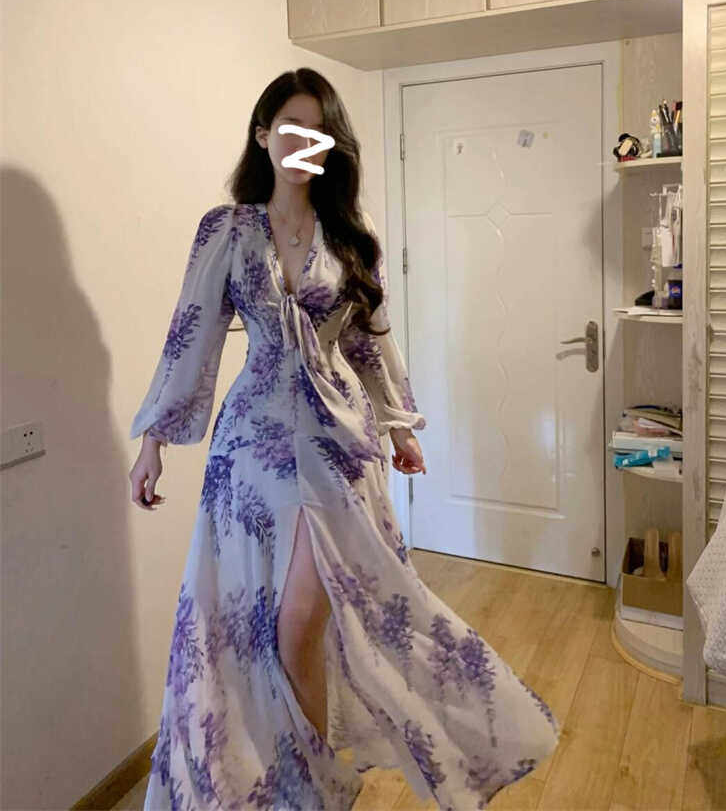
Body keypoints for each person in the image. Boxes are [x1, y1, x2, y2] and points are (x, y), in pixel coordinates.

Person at [128, 67, 560, 810]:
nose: (304, 143)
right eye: (290, 128)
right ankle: (295, 782)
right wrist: (154, 442)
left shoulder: (351, 239)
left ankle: (319, 783)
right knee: (251, 623)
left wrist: (398, 424)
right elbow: (190, 334)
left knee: (304, 619)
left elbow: (368, 341)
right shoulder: (226, 230)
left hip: (338, 441)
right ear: (263, 135)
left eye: (319, 133)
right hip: (251, 450)